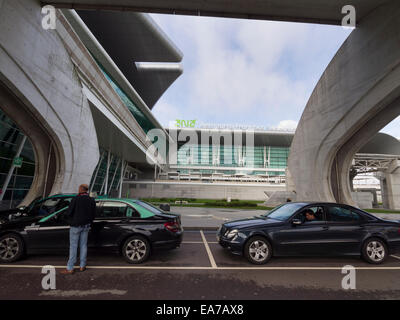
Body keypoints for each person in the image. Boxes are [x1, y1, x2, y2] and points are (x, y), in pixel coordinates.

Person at [61, 184, 96, 275]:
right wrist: (89, 221)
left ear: (81, 189)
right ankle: (82, 265)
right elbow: (93, 214)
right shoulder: (91, 199)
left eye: (78, 188)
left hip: (75, 225)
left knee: (73, 246)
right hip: (86, 225)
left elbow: (69, 212)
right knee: (83, 245)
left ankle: (70, 268)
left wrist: (69, 220)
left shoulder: (76, 199)